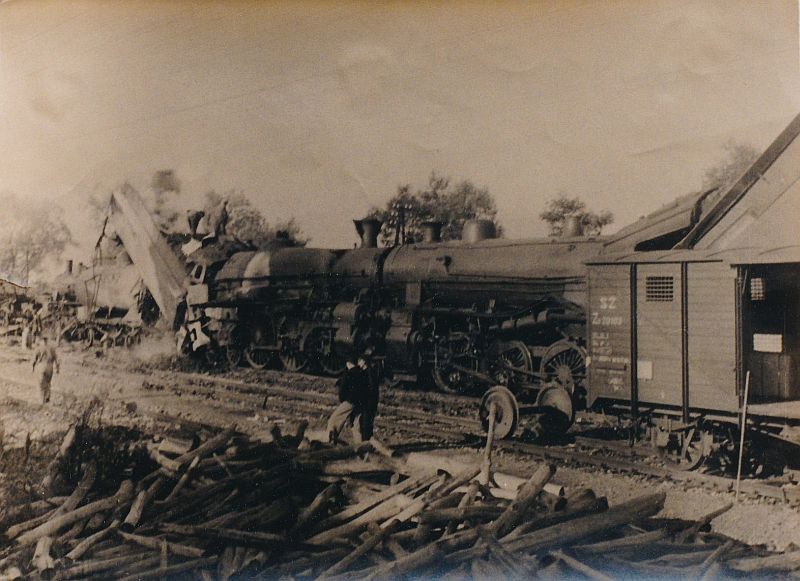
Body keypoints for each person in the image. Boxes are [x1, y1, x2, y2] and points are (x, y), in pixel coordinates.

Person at [327, 351, 380, 444]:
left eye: (360, 361)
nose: (359, 363)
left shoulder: (359, 372)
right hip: (362, 404)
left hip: (356, 402)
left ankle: (330, 440)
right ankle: (359, 447)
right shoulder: (365, 372)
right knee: (356, 427)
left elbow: (370, 391)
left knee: (334, 419)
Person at [32, 336, 59, 404]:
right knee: (48, 382)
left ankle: (41, 400)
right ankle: (47, 397)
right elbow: (57, 360)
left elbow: (34, 360)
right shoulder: (52, 348)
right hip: (50, 367)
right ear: (47, 340)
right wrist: (57, 369)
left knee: (40, 384)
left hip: (41, 366)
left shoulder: (38, 348)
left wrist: (33, 368)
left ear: (41, 340)